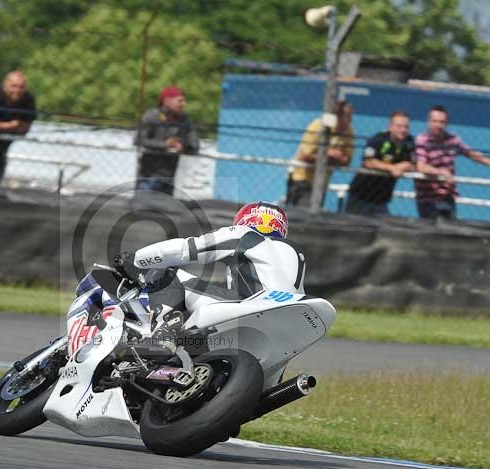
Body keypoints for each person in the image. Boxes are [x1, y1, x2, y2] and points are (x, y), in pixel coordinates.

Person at [114, 201, 304, 344]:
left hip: (251, 309)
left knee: (167, 271)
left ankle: (159, 336)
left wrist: (135, 259)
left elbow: (186, 249)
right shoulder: (297, 254)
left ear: (244, 220)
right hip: (287, 325)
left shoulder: (243, 234)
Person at [414, 105, 490, 220]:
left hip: (447, 195)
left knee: (450, 230)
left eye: (442, 122)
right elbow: (421, 166)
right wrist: (441, 172)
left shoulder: (453, 139)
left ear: (446, 123)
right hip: (428, 197)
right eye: (435, 121)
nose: (438, 125)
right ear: (428, 122)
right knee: (430, 230)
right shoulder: (422, 140)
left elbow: (470, 153)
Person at [345, 110, 415, 217]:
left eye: (406, 127)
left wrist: (404, 166)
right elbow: (368, 162)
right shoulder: (378, 139)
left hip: (381, 200)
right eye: (399, 126)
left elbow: (414, 164)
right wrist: (392, 168)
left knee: (381, 230)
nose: (403, 130)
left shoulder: (409, 142)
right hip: (360, 196)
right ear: (390, 127)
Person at [286, 101, 355, 207]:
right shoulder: (318, 126)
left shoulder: (348, 131)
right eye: (348, 117)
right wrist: (328, 154)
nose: (350, 121)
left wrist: (327, 157)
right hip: (303, 179)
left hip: (321, 182)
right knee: (305, 213)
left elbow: (346, 161)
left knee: (315, 213)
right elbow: (304, 157)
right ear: (338, 116)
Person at [134, 86, 199, 195]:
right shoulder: (152, 116)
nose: (184, 104)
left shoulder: (185, 119)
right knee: (143, 208)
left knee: (163, 210)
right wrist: (165, 145)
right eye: (180, 100)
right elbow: (138, 139)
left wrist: (182, 145)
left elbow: (194, 144)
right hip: (148, 176)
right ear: (166, 101)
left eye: (184, 100)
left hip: (168, 179)